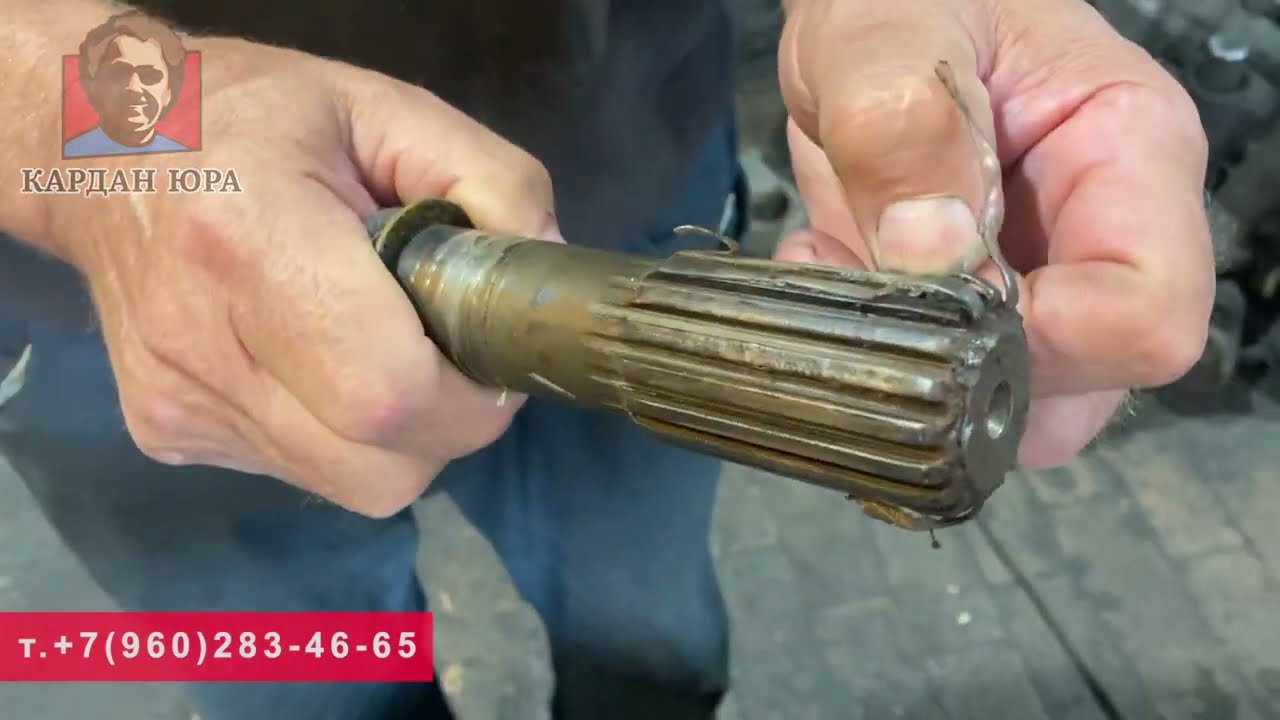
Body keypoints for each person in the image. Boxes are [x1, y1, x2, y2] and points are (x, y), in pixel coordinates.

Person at [0, 0, 1214, 718]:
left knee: (643, 640)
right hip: (120, 272)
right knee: (311, 677)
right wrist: (88, 126)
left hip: (626, 187)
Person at [63, 12, 191, 157]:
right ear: (94, 86)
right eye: (119, 74)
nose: (134, 88)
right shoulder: (68, 153)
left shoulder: (186, 159)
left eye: (150, 76)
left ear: (169, 92)